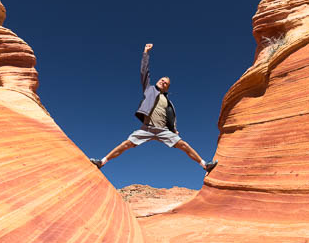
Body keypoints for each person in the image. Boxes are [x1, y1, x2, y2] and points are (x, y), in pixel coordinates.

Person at [90, 43, 217, 174]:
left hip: (163, 130)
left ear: (167, 88)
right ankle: (102, 162)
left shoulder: (168, 102)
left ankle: (205, 165)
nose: (163, 82)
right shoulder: (149, 90)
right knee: (126, 144)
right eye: (162, 80)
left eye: (166, 83)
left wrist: (173, 129)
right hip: (147, 128)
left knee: (184, 145)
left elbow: (170, 117)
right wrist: (146, 52)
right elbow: (144, 71)